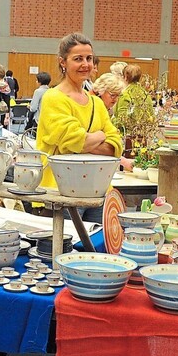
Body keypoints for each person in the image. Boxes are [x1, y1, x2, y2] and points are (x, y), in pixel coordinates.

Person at [36, 33, 123, 223]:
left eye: (89, 58)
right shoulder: (53, 98)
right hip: (62, 190)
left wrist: (82, 142)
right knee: (65, 248)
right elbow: (76, 141)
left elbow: (115, 146)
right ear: (63, 62)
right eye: (78, 59)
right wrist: (100, 136)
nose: (86, 64)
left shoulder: (97, 103)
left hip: (98, 190)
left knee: (94, 249)